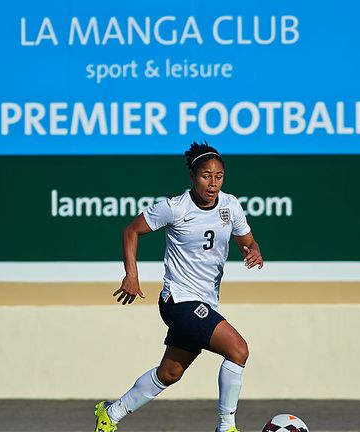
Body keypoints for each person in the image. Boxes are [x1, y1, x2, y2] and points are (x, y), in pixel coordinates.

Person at [93, 142, 264, 432]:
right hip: (179, 301)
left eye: (219, 176)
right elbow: (131, 230)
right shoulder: (175, 207)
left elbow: (247, 242)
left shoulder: (231, 205)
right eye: (206, 176)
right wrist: (131, 275)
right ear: (193, 177)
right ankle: (226, 427)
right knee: (238, 349)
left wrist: (254, 251)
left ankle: (111, 413)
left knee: (169, 373)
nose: (213, 183)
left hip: (204, 303)